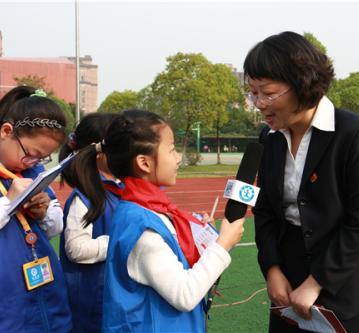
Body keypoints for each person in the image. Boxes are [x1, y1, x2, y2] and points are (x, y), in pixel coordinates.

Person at [244, 31, 359, 333]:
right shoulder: (269, 138)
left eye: (267, 93)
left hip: (347, 286)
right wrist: (272, 269)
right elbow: (266, 210)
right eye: (253, 93)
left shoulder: (355, 133)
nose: (259, 103)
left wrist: (316, 283)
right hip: (286, 284)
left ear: (301, 84)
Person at [71, 109, 245, 332]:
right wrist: (223, 244)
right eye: (172, 150)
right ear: (144, 163)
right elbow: (184, 293)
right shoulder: (144, 229)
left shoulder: (147, 209)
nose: (178, 158)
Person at [0, 86, 72, 332]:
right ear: (6, 131)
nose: (34, 163)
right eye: (32, 154)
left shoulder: (31, 170)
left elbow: (56, 226)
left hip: (45, 302)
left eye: (42, 159)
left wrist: (44, 212)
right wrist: (7, 203)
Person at [58, 112, 120, 333]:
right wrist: (119, 242)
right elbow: (77, 249)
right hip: (92, 302)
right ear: (98, 152)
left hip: (115, 295)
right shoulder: (83, 198)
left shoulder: (119, 189)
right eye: (120, 144)